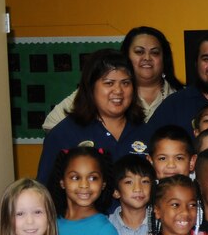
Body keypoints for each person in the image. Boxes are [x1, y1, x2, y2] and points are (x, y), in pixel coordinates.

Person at [37, 49, 150, 184]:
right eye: (109, 83)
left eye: (126, 83)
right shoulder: (64, 134)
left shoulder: (146, 131)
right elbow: (44, 193)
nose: (119, 90)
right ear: (91, 87)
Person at [43, 26, 182, 130]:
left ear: (164, 59)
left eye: (155, 53)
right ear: (125, 56)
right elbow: (51, 123)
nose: (147, 58)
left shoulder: (181, 96)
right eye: (139, 52)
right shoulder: (104, 92)